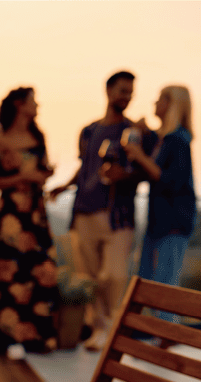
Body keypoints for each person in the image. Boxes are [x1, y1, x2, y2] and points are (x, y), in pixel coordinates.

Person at [48, 70, 156, 351]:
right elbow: (86, 167)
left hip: (117, 216)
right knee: (90, 277)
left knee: (115, 275)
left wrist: (126, 175)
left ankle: (110, 326)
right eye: (122, 91)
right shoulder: (89, 131)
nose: (127, 97)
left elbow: (145, 172)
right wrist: (64, 186)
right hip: (84, 211)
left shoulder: (134, 132)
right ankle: (98, 329)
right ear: (108, 91)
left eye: (130, 92)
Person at [0, 87, 60, 360]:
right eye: (33, 101)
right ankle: (8, 338)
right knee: (10, 274)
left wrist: (42, 176)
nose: (37, 105)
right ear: (19, 105)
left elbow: (41, 171)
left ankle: (36, 336)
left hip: (35, 214)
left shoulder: (38, 136)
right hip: (11, 216)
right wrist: (23, 178)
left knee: (40, 269)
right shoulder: (2, 138)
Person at [124, 85, 197, 335]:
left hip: (173, 220)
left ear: (171, 105)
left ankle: (166, 335)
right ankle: (159, 333)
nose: (154, 104)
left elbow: (171, 181)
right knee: (149, 278)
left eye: (159, 100)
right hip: (159, 219)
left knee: (164, 281)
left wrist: (138, 155)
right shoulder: (165, 139)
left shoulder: (178, 140)